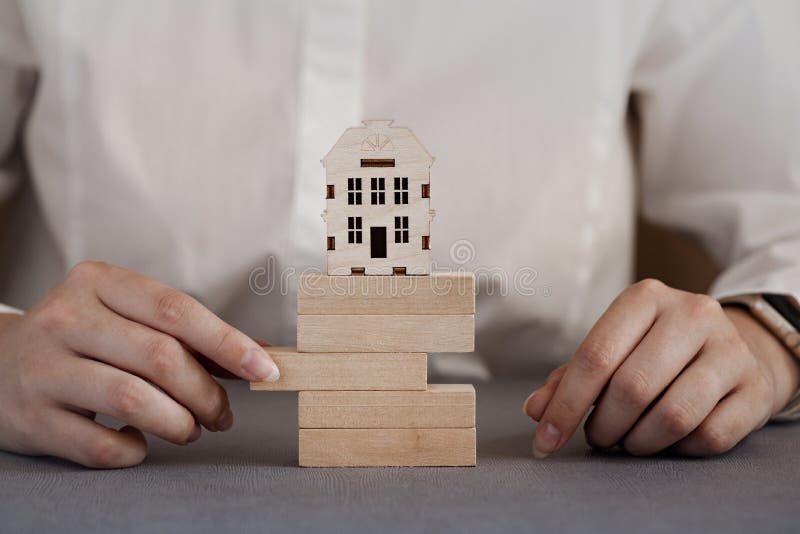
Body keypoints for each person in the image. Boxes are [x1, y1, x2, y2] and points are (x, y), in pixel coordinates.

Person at [0, 0, 798, 468]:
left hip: (544, 452)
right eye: (364, 202)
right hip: (102, 444)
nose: (376, 222)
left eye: (389, 201)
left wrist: (768, 333)